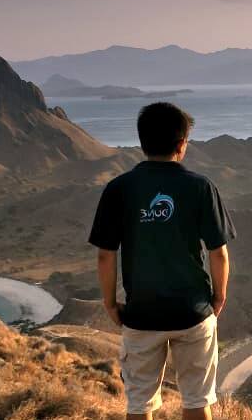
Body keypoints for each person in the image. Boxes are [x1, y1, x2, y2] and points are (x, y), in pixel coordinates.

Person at [89, 102, 236, 420]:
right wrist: (218, 297)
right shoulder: (200, 187)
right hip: (193, 312)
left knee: (140, 405)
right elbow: (218, 252)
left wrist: (110, 303)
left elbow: (105, 254)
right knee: (197, 402)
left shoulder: (119, 188)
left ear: (142, 142)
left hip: (142, 314)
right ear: (182, 144)